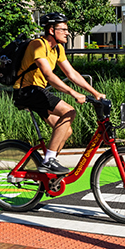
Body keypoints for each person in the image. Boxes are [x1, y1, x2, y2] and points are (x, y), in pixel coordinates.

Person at [12, 13, 105, 175]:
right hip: (26, 90)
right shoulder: (38, 45)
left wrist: (95, 93)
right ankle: (49, 161)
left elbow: (72, 74)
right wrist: (73, 93)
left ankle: (46, 170)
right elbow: (49, 75)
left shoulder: (58, 49)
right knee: (69, 111)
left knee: (66, 130)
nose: (67, 32)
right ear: (51, 30)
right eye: (63, 29)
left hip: (37, 91)